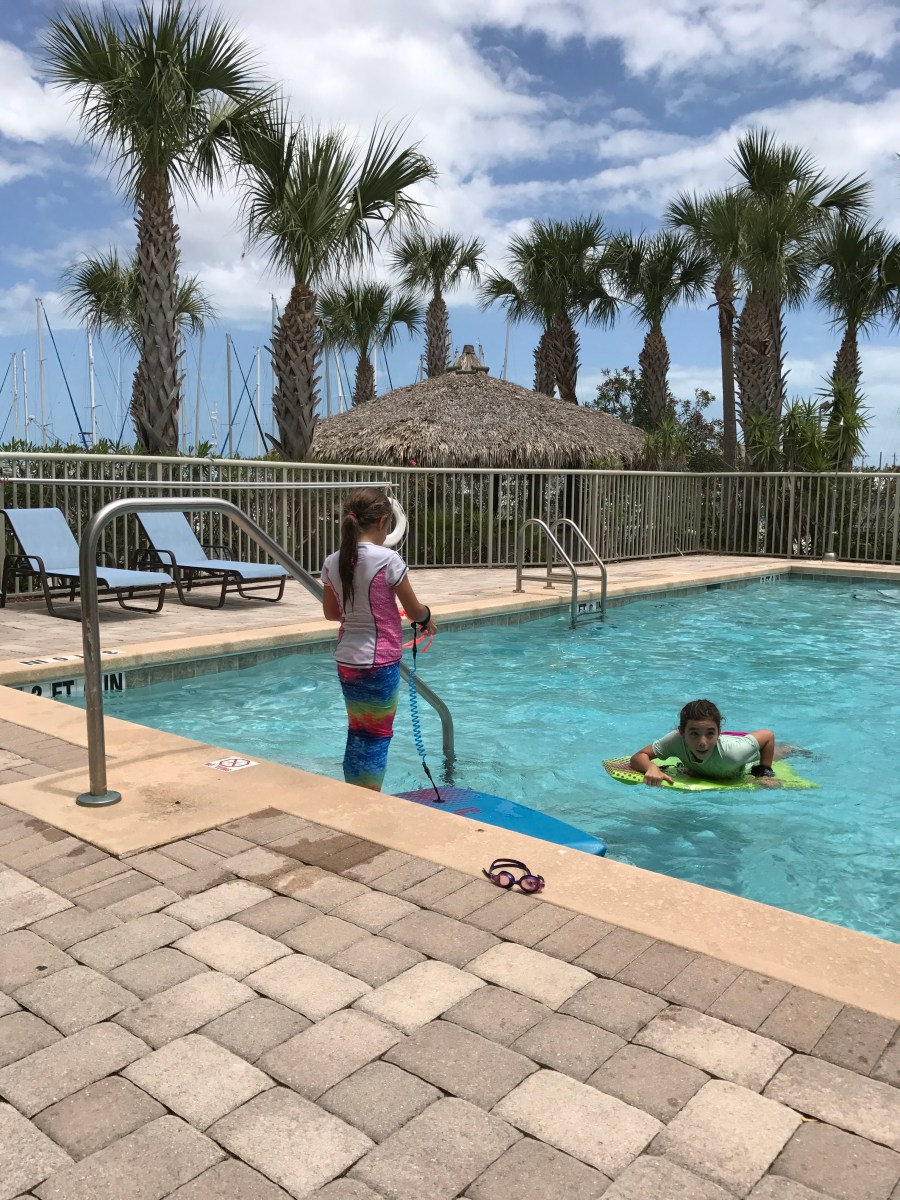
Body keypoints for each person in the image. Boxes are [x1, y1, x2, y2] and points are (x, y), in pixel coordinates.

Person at [321, 487, 437, 792]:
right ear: (383, 521)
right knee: (377, 736)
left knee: (357, 731)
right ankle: (368, 801)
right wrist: (426, 617)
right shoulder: (388, 560)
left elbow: (332, 613)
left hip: (347, 661)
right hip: (379, 663)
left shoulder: (333, 561)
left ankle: (354, 793)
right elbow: (415, 610)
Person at [629, 698, 780, 788]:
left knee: (783, 752)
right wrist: (652, 767)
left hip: (748, 758)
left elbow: (768, 736)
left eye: (710, 733)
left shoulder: (734, 753)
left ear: (719, 732)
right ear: (682, 732)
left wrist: (764, 773)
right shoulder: (675, 740)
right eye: (694, 733)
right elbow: (638, 756)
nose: (702, 743)